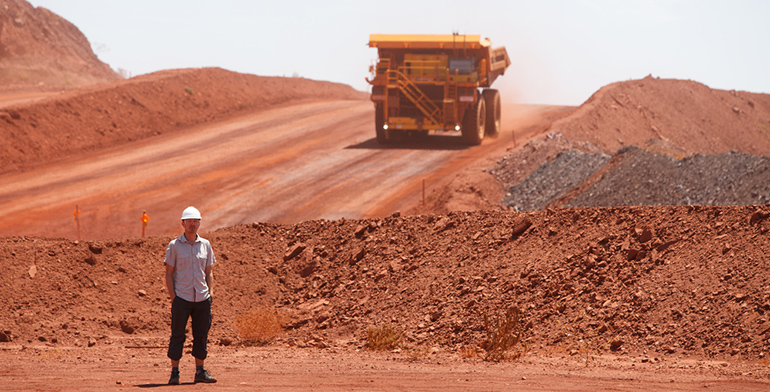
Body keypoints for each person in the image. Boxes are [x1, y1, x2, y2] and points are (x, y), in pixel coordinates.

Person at [164, 206, 217, 384]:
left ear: (199, 223)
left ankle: (200, 371)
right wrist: (174, 297)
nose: (192, 224)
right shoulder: (174, 246)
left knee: (201, 335)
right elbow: (169, 273)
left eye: (195, 221)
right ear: (183, 223)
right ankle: (174, 373)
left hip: (202, 298)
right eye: (189, 221)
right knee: (177, 334)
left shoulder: (206, 245)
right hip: (182, 298)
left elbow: (209, 271)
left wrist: (210, 293)